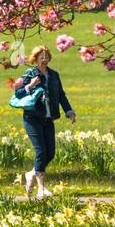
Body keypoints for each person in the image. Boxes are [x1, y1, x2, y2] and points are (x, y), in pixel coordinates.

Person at [14, 44, 75, 199]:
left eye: (46, 56)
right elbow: (19, 93)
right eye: (41, 56)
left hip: (49, 118)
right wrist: (30, 85)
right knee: (41, 151)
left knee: (51, 152)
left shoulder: (54, 75)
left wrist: (69, 111)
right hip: (32, 118)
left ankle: (31, 173)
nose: (44, 58)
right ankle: (41, 189)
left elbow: (61, 95)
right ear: (35, 58)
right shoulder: (29, 74)